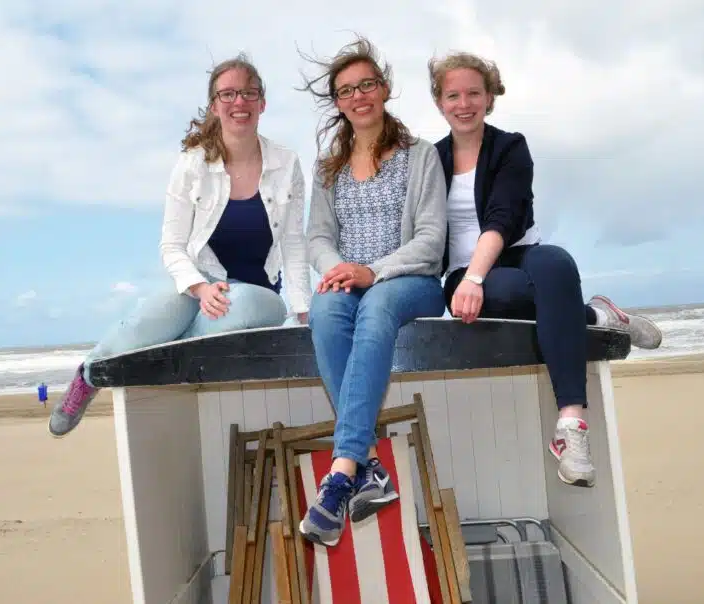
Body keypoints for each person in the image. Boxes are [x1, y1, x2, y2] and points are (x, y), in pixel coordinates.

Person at [427, 52, 663, 488]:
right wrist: (470, 279)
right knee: (522, 297)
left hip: (517, 254)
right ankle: (598, 317)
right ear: (439, 102)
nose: (464, 104)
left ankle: (570, 426)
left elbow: (502, 217)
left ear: (490, 97)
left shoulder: (509, 147)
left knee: (557, 264)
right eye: (453, 95)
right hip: (463, 275)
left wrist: (478, 276)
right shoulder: (430, 160)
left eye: (474, 93)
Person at [48, 54, 312, 438]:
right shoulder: (192, 165)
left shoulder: (286, 164)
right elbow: (172, 245)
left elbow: (293, 243)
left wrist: (302, 310)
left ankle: (169, 349)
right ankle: (89, 374)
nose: (239, 102)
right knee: (150, 318)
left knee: (252, 306)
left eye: (249, 93)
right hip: (198, 285)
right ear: (215, 105)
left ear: (262, 103)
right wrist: (201, 289)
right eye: (228, 94)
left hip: (256, 295)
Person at [296, 36, 447, 546]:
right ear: (337, 103)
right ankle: (366, 467)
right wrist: (339, 270)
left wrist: (371, 271)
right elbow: (317, 237)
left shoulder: (420, 156)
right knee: (325, 309)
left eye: (366, 85)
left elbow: (431, 239)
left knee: (376, 305)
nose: (358, 96)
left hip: (410, 283)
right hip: (350, 282)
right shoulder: (328, 168)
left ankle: (343, 473)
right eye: (346, 90)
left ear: (384, 89)